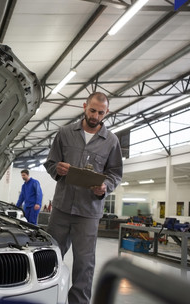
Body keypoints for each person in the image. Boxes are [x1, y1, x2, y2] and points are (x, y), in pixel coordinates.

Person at [44, 92, 123, 304]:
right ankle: (48, 297)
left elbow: (115, 173)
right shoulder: (65, 133)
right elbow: (50, 163)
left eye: (100, 112)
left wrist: (105, 187)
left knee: (84, 263)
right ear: (84, 106)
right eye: (92, 110)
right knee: (51, 256)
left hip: (88, 213)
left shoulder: (111, 141)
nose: (95, 115)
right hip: (61, 208)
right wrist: (57, 169)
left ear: (107, 112)